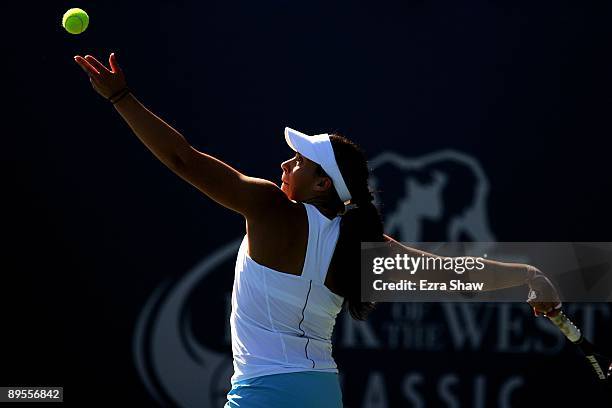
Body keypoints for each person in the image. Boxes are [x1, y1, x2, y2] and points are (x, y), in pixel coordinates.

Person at [74, 53, 562, 407]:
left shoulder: (270, 207)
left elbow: (183, 159)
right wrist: (528, 274)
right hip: (322, 393)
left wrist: (121, 97)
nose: (286, 163)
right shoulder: (362, 248)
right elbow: (457, 276)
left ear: (322, 182)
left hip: (262, 394)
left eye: (299, 160)